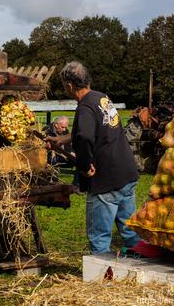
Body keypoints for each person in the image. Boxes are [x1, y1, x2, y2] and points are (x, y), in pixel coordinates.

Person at [56, 61, 139, 254]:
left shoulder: (84, 107)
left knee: (100, 236)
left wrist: (84, 166)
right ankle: (138, 268)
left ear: (69, 85)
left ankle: (102, 276)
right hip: (126, 173)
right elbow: (97, 129)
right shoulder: (102, 99)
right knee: (130, 233)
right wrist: (62, 139)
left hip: (105, 179)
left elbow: (85, 136)